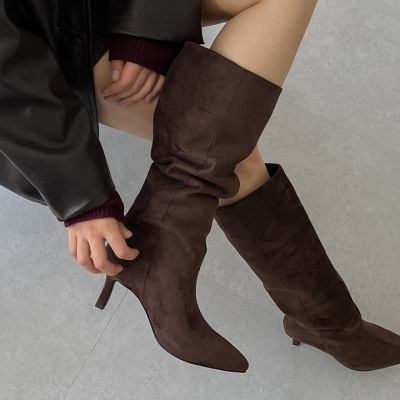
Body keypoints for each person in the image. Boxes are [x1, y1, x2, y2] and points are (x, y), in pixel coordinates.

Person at [2, 0, 400, 373]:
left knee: (220, 139)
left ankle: (164, 247)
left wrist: (149, 28)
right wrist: (81, 197)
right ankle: (331, 324)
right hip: (30, 51)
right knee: (231, 156)